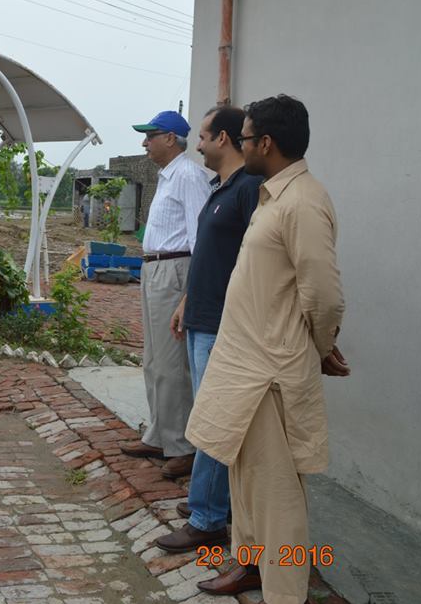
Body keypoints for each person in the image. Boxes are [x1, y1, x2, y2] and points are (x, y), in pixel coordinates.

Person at [187, 95, 348, 604]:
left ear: (267, 144)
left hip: (269, 374)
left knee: (275, 495)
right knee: (246, 483)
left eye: (248, 136)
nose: (242, 142)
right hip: (246, 365)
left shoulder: (303, 201)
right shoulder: (274, 196)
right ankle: (249, 566)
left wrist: (319, 348)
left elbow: (323, 294)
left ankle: (285, 592)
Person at [153, 105, 263, 553]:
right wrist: (186, 301)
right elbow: (208, 258)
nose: (196, 144)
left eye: (202, 136)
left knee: (215, 420)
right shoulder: (222, 188)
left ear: (223, 139)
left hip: (225, 323)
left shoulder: (249, 189)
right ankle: (213, 504)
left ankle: (208, 517)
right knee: (207, 417)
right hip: (202, 315)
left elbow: (255, 262)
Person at [119, 111, 212, 478]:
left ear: (171, 138)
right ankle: (159, 434)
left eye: (151, 135)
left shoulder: (188, 177)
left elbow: (199, 237)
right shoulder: (169, 177)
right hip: (155, 268)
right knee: (155, 358)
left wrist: (190, 292)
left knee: (173, 362)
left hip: (174, 269)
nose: (145, 142)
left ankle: (182, 445)